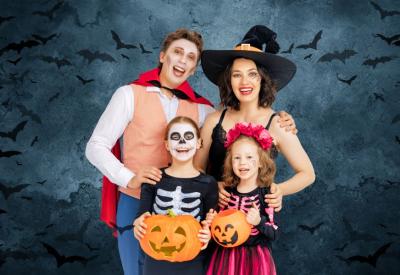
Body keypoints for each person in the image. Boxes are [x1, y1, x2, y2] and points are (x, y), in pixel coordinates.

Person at [86, 28, 295, 275]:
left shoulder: (203, 110)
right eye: (177, 52)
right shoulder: (129, 94)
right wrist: (129, 177)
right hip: (136, 201)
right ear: (163, 56)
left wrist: (280, 118)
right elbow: (95, 146)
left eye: (191, 57)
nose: (183, 60)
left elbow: (238, 117)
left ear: (194, 68)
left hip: (191, 212)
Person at [195, 25, 315, 210]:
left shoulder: (278, 123)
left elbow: (307, 173)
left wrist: (278, 190)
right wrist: (211, 186)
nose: (245, 82)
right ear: (229, 81)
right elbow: (197, 169)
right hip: (212, 215)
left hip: (255, 219)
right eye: (237, 75)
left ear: (262, 79)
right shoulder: (214, 120)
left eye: (252, 74)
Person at [133, 116, 218, 275]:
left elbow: (211, 221)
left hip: (193, 259)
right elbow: (142, 215)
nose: (182, 142)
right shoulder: (154, 178)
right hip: (155, 258)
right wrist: (138, 224)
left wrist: (209, 234)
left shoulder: (208, 183)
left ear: (199, 143)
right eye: (175, 137)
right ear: (167, 144)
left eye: (188, 137)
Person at [206, 122, 282, 275]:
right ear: (230, 162)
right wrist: (211, 221)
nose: (242, 163)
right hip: (226, 257)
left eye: (249, 157)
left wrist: (259, 222)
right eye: (237, 158)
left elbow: (274, 233)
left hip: (256, 259)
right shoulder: (226, 193)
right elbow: (217, 229)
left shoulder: (267, 195)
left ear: (261, 161)